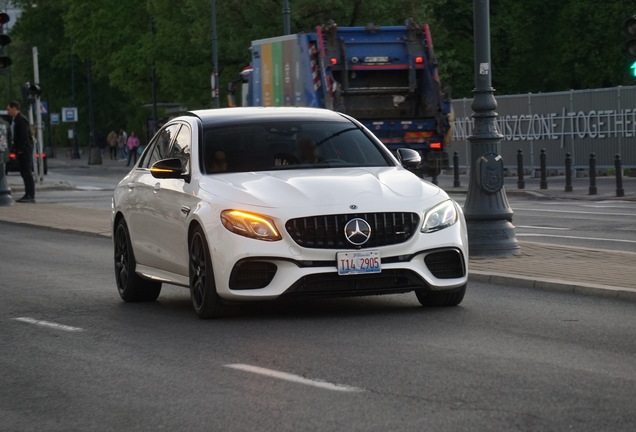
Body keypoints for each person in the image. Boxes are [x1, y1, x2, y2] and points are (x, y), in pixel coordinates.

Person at [7, 101, 35, 203]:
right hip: (22, 150)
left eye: (9, 109)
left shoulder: (22, 120)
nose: (8, 112)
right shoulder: (17, 120)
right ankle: (27, 194)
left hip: (25, 151)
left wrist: (20, 150)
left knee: (27, 172)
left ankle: (30, 195)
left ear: (14, 108)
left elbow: (24, 137)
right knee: (24, 173)